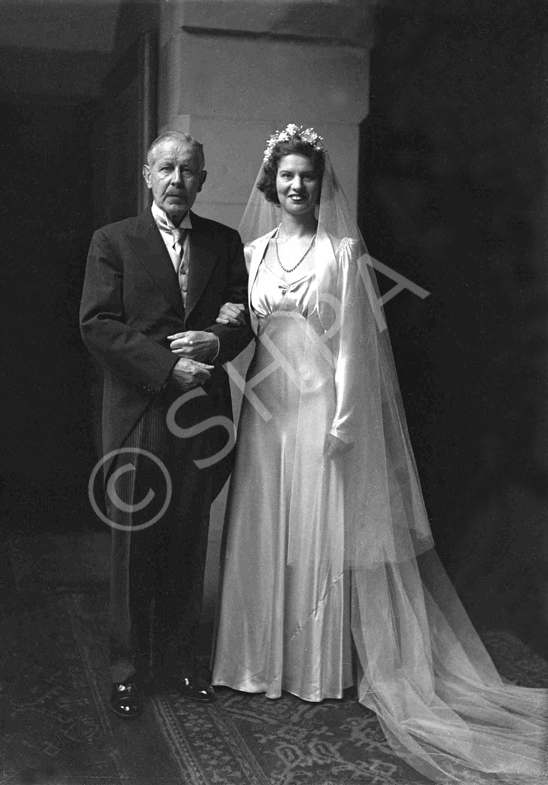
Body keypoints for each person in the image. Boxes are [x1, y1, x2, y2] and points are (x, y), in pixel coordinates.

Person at [211, 125, 548, 783]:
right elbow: (234, 327)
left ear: (320, 183)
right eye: (286, 176)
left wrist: (341, 422)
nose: (296, 186)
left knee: (313, 531)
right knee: (261, 529)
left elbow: (354, 351)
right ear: (269, 183)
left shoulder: (341, 254)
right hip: (264, 409)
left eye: (307, 175)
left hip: (319, 411)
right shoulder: (249, 254)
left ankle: (311, 664)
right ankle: (252, 661)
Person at [80, 130, 251, 719]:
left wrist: (216, 341)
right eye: (167, 169)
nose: (177, 180)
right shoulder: (113, 241)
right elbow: (98, 324)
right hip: (138, 411)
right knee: (133, 539)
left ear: (202, 180)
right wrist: (165, 366)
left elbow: (242, 317)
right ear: (148, 176)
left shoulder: (225, 243)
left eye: (189, 170)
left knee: (186, 534)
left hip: (202, 413)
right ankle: (128, 671)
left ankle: (181, 661)